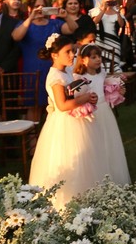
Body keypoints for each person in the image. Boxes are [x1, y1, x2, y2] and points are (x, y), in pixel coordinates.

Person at [27, 33, 103, 207]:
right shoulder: (56, 77)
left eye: (73, 51)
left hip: (74, 120)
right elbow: (62, 105)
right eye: (67, 52)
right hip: (63, 124)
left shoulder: (66, 71)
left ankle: (85, 195)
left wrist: (88, 97)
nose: (72, 55)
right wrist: (84, 99)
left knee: (84, 158)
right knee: (69, 158)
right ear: (54, 55)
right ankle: (66, 200)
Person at [72, 45, 130, 186]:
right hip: (91, 113)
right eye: (93, 57)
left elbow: (105, 90)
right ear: (83, 60)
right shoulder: (79, 78)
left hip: (105, 111)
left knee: (109, 141)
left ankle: (112, 172)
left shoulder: (102, 74)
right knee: (94, 143)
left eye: (99, 56)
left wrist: (117, 91)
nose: (98, 59)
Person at [11, 0, 63, 121]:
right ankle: (33, 132)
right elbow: (16, 37)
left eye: (43, 6)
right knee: (34, 106)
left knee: (52, 104)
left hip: (51, 69)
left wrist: (65, 15)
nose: (40, 9)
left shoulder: (54, 23)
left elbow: (72, 29)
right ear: (30, 8)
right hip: (32, 69)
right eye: (37, 6)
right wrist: (31, 18)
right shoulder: (25, 24)